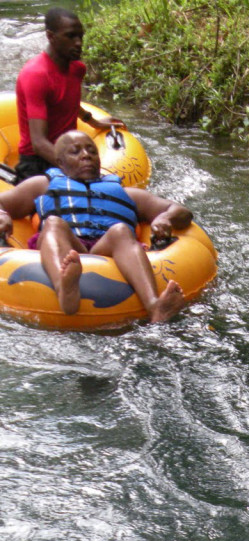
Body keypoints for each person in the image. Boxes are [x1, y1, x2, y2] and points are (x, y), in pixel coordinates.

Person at [0, 131, 187, 323]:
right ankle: (64, 288)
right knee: (54, 223)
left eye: (91, 151)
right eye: (75, 152)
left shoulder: (127, 193)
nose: (86, 155)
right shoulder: (42, 185)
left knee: (121, 230)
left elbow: (180, 211)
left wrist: (165, 218)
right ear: (60, 163)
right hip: (68, 245)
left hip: (106, 248)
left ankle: (154, 305)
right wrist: (2, 215)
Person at [14, 7, 124, 182]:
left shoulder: (77, 68)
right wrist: (78, 170)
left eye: (80, 36)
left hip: (70, 151)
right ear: (51, 36)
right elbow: (39, 144)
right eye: (71, 36)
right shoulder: (36, 75)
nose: (79, 42)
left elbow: (65, 100)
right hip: (37, 163)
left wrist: (92, 120)